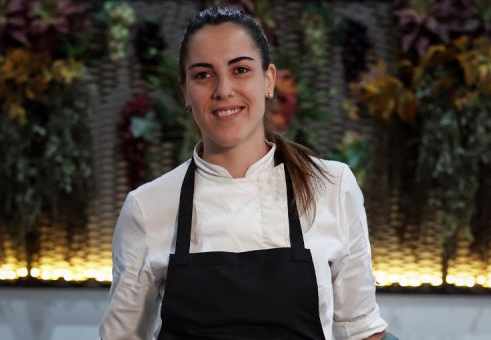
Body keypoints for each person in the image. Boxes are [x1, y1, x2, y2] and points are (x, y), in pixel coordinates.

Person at [100, 6, 389, 340]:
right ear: (185, 92)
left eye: (240, 70)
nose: (224, 90)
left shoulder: (332, 188)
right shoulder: (147, 207)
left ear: (268, 80)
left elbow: (362, 331)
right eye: (203, 75)